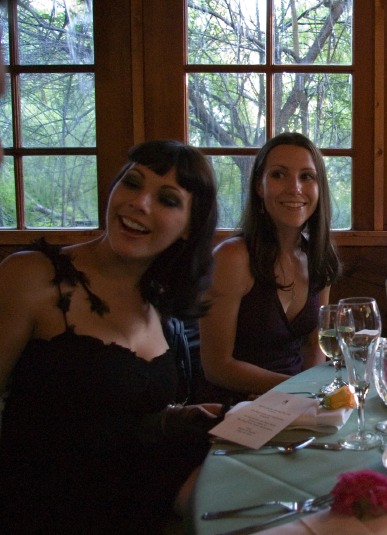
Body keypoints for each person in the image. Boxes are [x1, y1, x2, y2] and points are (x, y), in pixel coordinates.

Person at [0, 140, 223, 534]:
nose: (140, 203)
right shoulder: (32, 277)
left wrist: (174, 417)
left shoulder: (159, 303)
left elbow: (113, 416)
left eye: (167, 199)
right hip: (43, 513)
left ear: (190, 227)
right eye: (132, 183)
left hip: (137, 503)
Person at [198, 132, 340, 404]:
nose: (294, 188)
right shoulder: (232, 257)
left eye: (306, 177)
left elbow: (315, 347)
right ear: (259, 187)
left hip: (295, 405)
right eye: (278, 175)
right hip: (233, 407)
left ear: (319, 188)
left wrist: (307, 400)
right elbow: (216, 367)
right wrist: (298, 389)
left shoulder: (320, 256)